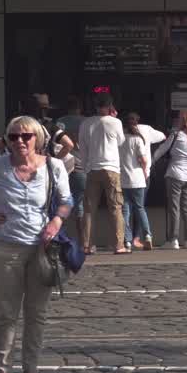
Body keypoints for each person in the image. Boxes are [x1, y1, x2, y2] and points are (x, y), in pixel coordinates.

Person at [0, 116, 73, 373]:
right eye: (13, 137)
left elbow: (66, 200)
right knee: (5, 313)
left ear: (37, 137)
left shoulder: (54, 165)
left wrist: (56, 223)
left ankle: (31, 372)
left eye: (26, 136)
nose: (20, 142)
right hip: (6, 248)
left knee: (37, 314)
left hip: (41, 250)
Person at [77, 94, 126, 255]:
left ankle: (87, 245)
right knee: (116, 208)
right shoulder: (115, 122)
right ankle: (118, 245)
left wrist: (86, 167)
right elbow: (121, 142)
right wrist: (114, 118)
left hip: (92, 168)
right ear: (110, 106)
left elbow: (82, 148)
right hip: (111, 168)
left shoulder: (86, 123)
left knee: (89, 209)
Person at [153, 110, 187, 249]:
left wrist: (149, 163)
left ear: (185, 121)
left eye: (180, 118)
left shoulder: (176, 135)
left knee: (174, 208)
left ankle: (172, 240)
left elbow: (161, 150)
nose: (177, 120)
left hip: (175, 174)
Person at [55, 97, 88, 252]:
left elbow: (55, 143)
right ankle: (83, 243)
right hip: (82, 166)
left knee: (62, 204)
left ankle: (62, 239)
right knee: (80, 206)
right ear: (80, 108)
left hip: (64, 167)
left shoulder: (60, 122)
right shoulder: (86, 122)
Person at [119, 113, 153, 251]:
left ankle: (127, 241)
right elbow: (144, 160)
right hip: (138, 178)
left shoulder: (119, 140)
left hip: (123, 179)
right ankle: (148, 236)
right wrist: (145, 171)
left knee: (125, 210)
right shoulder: (138, 139)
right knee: (140, 208)